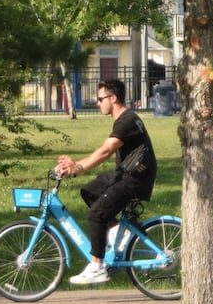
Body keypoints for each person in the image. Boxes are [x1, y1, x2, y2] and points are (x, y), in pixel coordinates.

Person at [55, 79, 158, 285]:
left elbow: (105, 151)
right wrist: (75, 167)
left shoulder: (127, 121)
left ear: (114, 98)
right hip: (126, 175)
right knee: (90, 191)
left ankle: (97, 266)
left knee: (97, 214)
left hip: (134, 181)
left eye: (100, 99)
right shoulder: (125, 119)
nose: (98, 103)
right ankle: (120, 231)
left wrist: (77, 167)